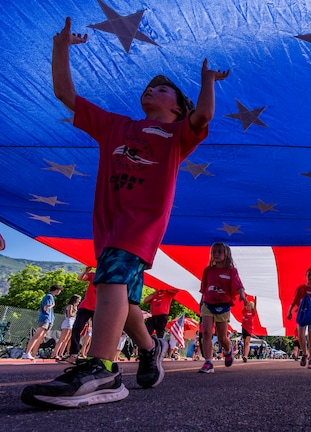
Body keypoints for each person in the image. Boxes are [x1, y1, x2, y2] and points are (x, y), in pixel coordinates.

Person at [21, 17, 230, 409]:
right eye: (150, 85)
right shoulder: (116, 126)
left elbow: (203, 117)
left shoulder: (176, 135)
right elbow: (65, 93)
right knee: (124, 299)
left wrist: (207, 83)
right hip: (108, 226)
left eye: (163, 87)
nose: (153, 88)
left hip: (140, 225)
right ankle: (150, 349)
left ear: (177, 107)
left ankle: (102, 369)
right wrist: (60, 47)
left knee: (111, 284)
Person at [199, 242, 245, 373]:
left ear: (226, 254)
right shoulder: (208, 271)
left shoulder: (231, 271)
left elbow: (238, 285)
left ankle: (227, 349)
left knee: (221, 338)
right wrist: (201, 301)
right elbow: (204, 289)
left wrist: (241, 294)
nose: (216, 254)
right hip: (208, 304)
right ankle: (208, 362)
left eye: (220, 252)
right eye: (214, 252)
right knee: (206, 332)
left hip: (223, 306)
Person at [287, 267, 311, 370]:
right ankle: (305, 353)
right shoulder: (301, 288)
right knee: (300, 334)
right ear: (306, 276)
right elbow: (294, 301)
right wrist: (290, 311)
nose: (310, 277)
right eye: (309, 275)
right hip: (302, 314)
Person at [65, 267, 98, 364]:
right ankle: (74, 354)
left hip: (99, 308)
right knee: (76, 328)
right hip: (86, 306)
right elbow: (80, 278)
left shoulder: (109, 277)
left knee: (97, 333)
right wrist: (85, 271)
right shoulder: (93, 275)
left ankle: (94, 356)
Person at [23, 285, 63, 359]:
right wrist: (53, 305)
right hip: (45, 319)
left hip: (49, 319)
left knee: (41, 337)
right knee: (37, 335)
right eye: (59, 290)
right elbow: (46, 308)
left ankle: (34, 354)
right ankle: (27, 353)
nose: (60, 292)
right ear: (56, 290)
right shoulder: (49, 296)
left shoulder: (50, 297)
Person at [53, 294, 82, 360]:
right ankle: (55, 354)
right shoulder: (70, 306)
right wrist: (76, 313)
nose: (79, 302)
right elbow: (70, 315)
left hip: (71, 323)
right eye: (78, 300)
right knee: (62, 339)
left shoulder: (75, 307)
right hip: (67, 323)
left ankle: (61, 354)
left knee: (66, 340)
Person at [241, 298, 257, 363]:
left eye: (249, 306)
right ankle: (244, 354)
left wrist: (255, 299)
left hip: (249, 329)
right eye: (247, 305)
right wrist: (245, 297)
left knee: (247, 342)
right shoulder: (244, 311)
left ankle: (246, 356)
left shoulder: (252, 312)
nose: (248, 307)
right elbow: (244, 303)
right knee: (244, 343)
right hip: (244, 328)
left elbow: (255, 307)